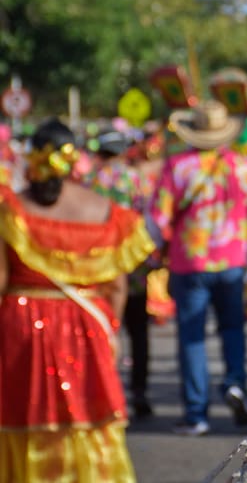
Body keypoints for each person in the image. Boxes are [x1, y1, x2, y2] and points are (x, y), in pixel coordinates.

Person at [0, 119, 154, 482]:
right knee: (89, 420)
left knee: (25, 419)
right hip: (87, 328)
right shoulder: (105, 212)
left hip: (22, 328)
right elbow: (116, 287)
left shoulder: (11, 209)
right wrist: (109, 331)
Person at [148, 100, 247, 436]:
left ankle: (196, 414)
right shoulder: (246, 167)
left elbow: (156, 219)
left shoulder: (177, 167)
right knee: (232, 328)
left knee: (192, 336)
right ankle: (235, 383)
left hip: (189, 262)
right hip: (233, 262)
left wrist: (153, 252)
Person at [88, 128, 160, 418]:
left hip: (99, 270)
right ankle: (139, 391)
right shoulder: (137, 180)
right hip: (133, 268)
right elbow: (150, 221)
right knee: (138, 332)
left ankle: (107, 391)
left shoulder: (89, 181)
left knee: (102, 331)